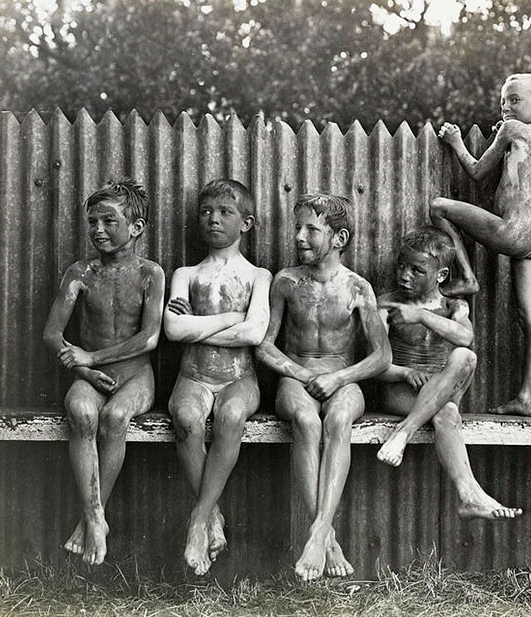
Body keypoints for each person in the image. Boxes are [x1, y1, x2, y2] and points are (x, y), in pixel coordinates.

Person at [256, 193, 391, 582]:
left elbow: (381, 356)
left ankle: (317, 531)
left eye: (311, 229)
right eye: (297, 227)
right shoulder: (285, 282)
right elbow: (264, 345)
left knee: (339, 419)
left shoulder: (357, 287)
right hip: (295, 375)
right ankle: (326, 535)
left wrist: (338, 378)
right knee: (305, 420)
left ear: (339, 238)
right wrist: (299, 375)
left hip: (341, 376)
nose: (299, 237)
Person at [43, 179, 165, 566]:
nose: (98, 230)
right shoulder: (80, 272)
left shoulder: (151, 274)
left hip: (135, 377)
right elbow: (51, 333)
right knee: (80, 411)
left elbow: (149, 338)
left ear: (137, 228)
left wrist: (91, 359)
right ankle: (96, 515)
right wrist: (84, 368)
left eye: (109, 221)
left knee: (115, 416)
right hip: (89, 377)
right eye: (93, 221)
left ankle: (90, 518)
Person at [430, 73, 531, 417]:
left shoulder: (512, 130)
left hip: (512, 231)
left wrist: (456, 142)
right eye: (503, 100)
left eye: (514, 100)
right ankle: (528, 396)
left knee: (439, 207)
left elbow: (476, 171)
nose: (505, 107)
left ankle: (467, 277)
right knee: (529, 316)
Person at [375, 227, 522, 520]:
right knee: (447, 414)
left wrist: (420, 315)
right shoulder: (388, 304)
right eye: (401, 267)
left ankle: (404, 432)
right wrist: (405, 373)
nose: (404, 276)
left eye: (416, 270)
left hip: (442, 388)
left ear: (440, 275)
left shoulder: (455, 306)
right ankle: (468, 496)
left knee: (464, 356)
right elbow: (377, 363)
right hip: (401, 392)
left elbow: (465, 338)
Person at [164, 179, 272, 576]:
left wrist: (196, 321)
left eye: (225, 212)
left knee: (230, 417)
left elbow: (254, 334)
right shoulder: (186, 273)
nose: (214, 219)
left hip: (239, 377)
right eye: (207, 211)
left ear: (246, 223)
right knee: (188, 419)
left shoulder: (259, 276)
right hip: (193, 374)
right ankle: (212, 517)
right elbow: (174, 332)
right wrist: (229, 318)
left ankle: (199, 521)